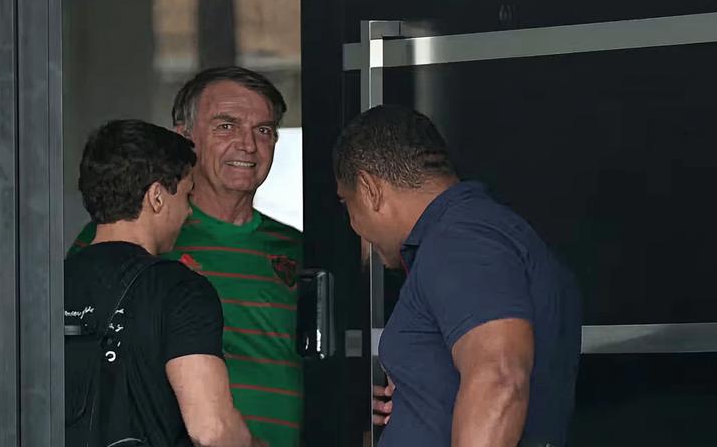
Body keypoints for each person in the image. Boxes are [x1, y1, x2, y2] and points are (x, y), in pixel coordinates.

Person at [68, 68, 303, 447]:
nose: (248, 145)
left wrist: (361, 389)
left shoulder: (300, 249)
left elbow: (336, 353)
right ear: (184, 138)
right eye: (226, 126)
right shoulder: (122, 241)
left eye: (264, 130)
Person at [333, 105, 582, 447]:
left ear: (369, 189)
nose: (353, 226)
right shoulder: (470, 235)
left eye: (347, 204)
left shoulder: (460, 240)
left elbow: (500, 378)